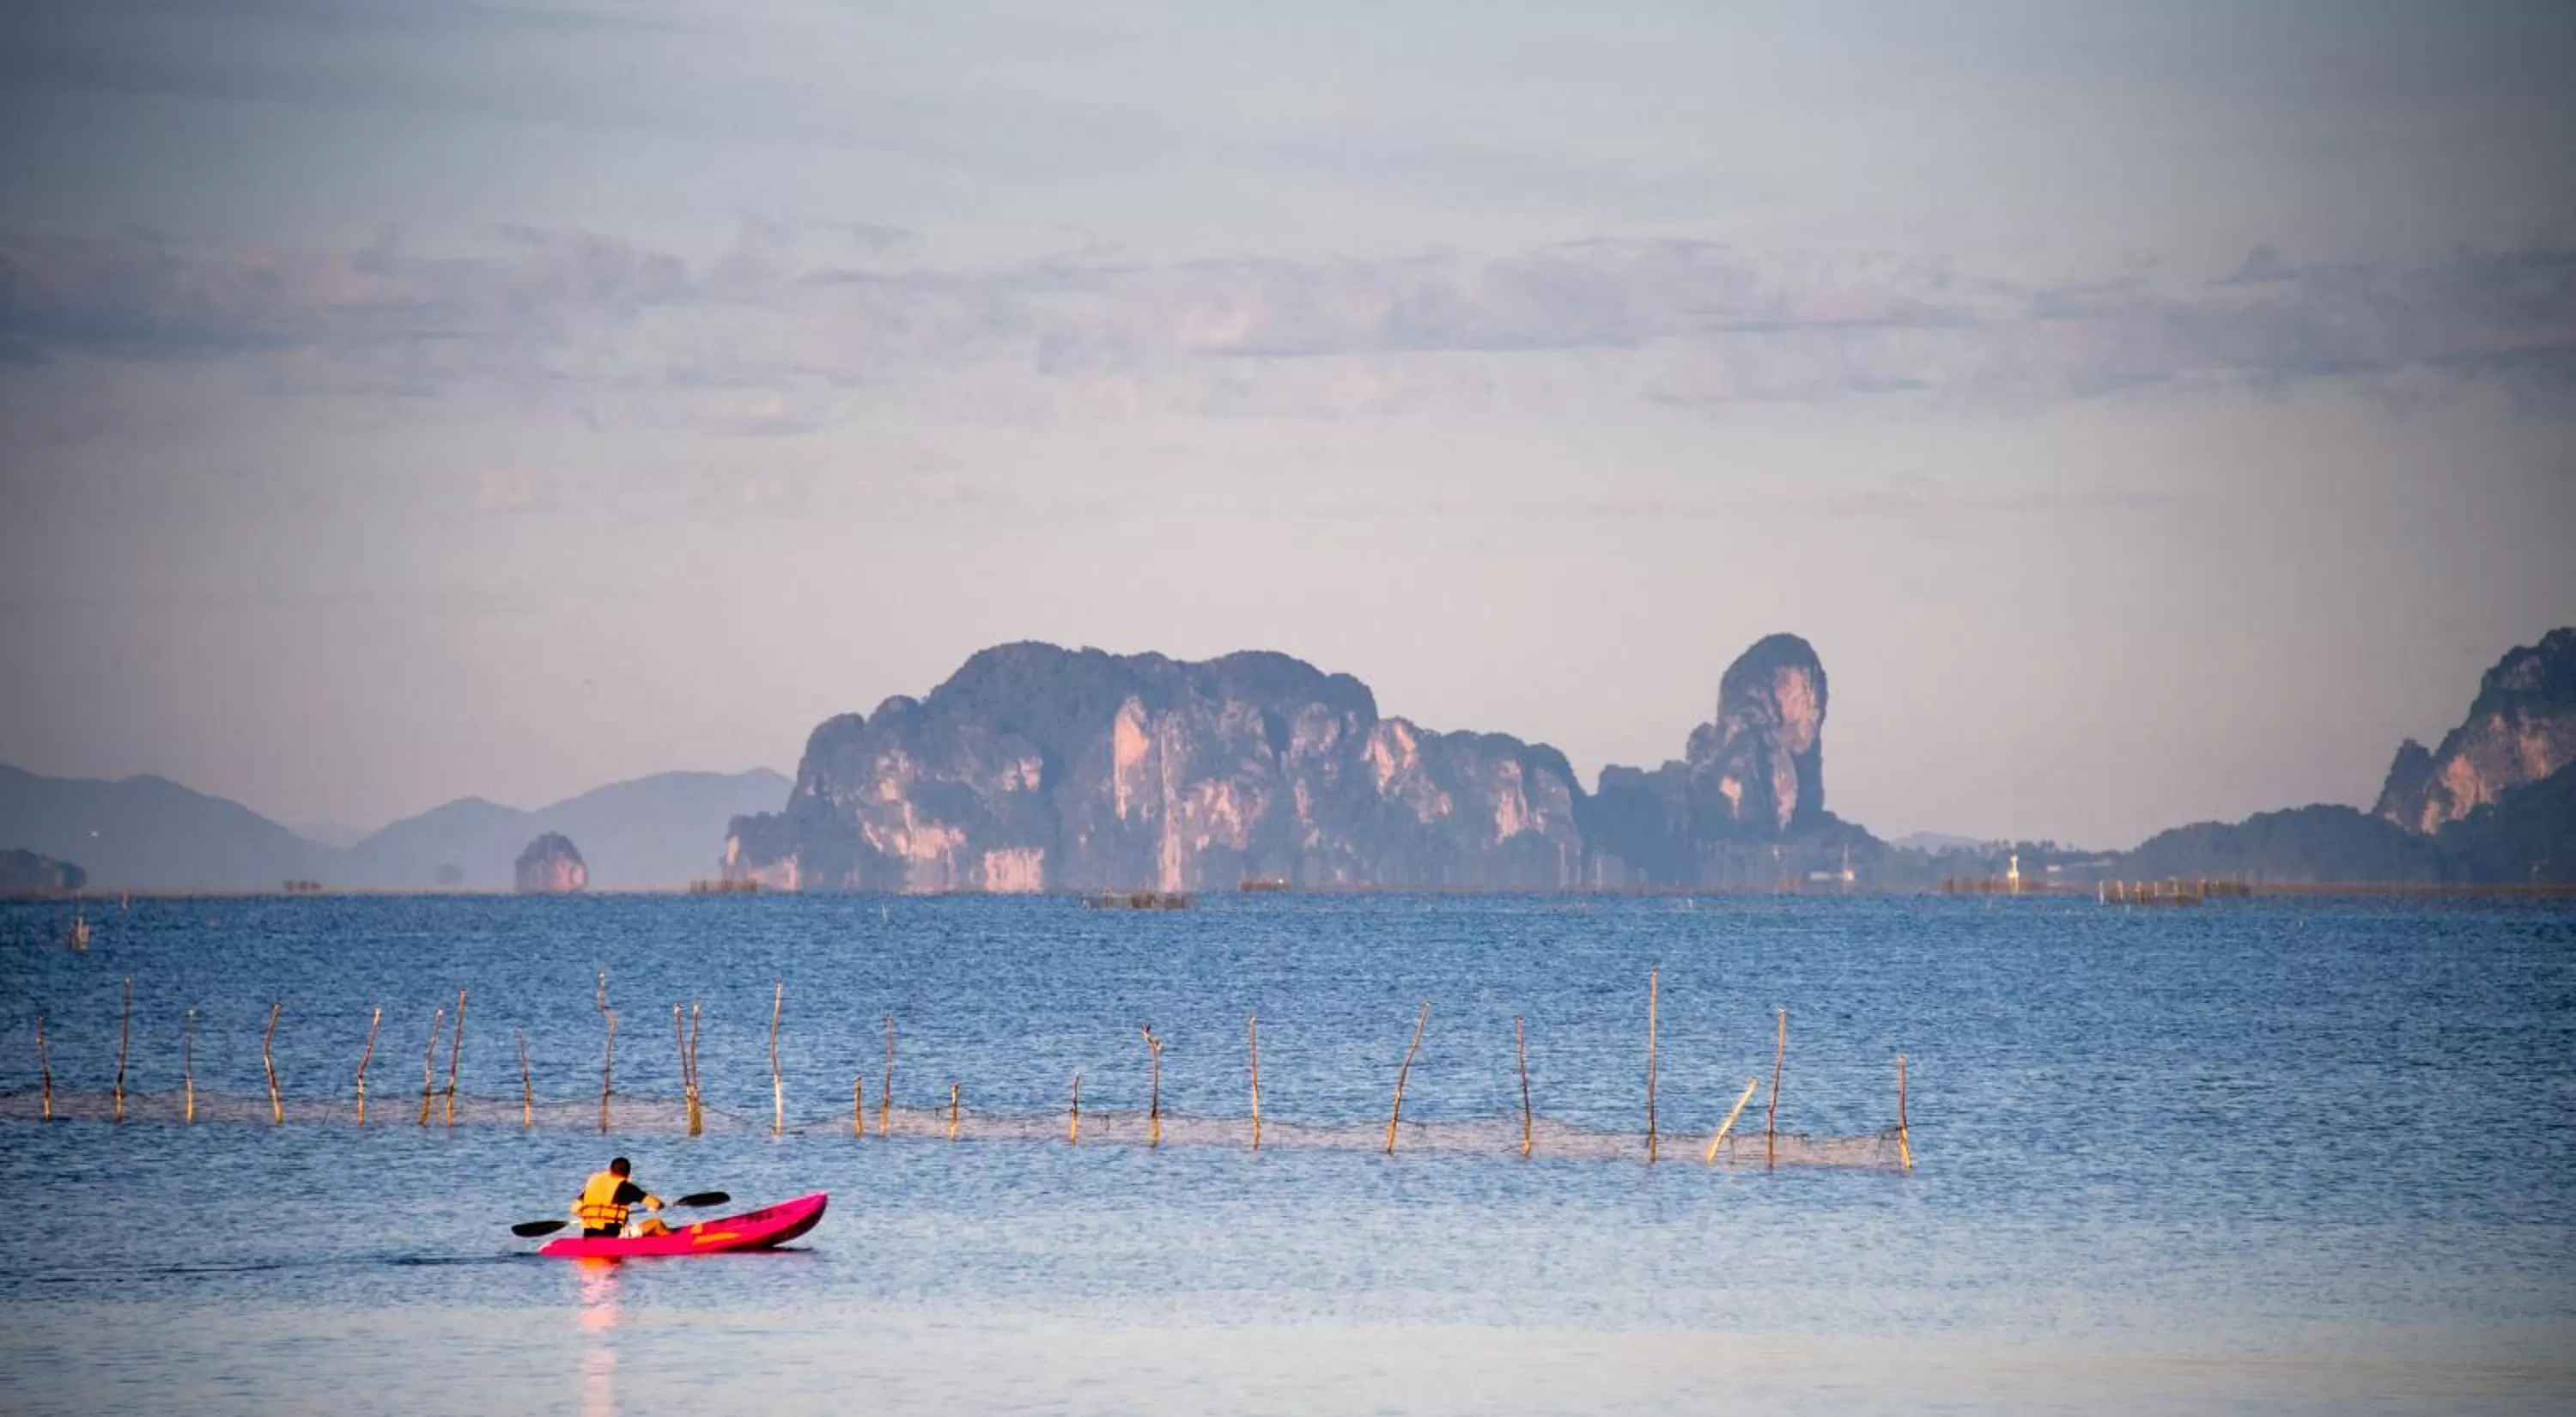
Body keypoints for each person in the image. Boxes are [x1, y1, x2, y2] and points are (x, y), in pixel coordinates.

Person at [572, 1157, 668, 1238]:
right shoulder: (627, 1187)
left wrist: (594, 1216)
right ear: (628, 1174)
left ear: (610, 1170)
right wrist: (661, 1205)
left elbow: (574, 1209)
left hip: (589, 1234)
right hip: (614, 1234)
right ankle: (671, 1243)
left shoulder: (593, 1187)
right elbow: (656, 1204)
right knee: (657, 1223)